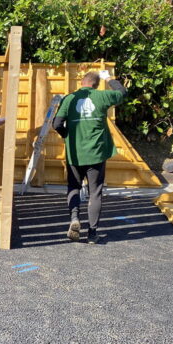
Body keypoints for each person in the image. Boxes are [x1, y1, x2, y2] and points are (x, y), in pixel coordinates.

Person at [53, 70, 127, 244]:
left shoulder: (69, 99)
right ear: (96, 84)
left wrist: (66, 134)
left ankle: (74, 219)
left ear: (82, 83)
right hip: (96, 153)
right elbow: (122, 92)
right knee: (95, 193)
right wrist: (108, 77)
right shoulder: (102, 96)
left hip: (75, 153)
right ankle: (92, 233)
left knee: (73, 187)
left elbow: (56, 123)